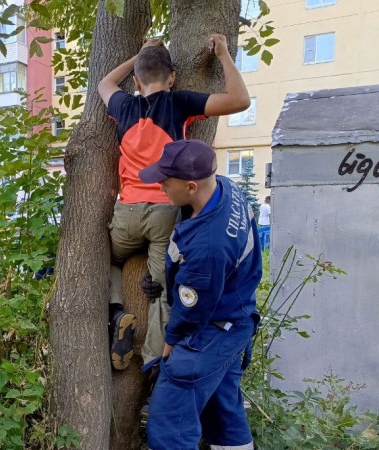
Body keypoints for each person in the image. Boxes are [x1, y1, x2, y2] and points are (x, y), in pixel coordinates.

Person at [97, 35, 251, 372]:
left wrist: (138, 54)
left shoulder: (124, 105)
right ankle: (154, 360)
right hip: (166, 212)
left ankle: (117, 311)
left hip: (127, 213)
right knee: (163, 288)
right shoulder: (179, 102)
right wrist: (223, 54)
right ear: (172, 79)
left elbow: (105, 82)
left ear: (136, 82)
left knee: (107, 259)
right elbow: (240, 100)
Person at [138, 139, 262, 450]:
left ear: (191, 186)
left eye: (166, 182)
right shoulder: (225, 187)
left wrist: (169, 347)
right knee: (223, 409)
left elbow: (193, 310)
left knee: (170, 417)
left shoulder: (209, 245)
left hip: (210, 331)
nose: (161, 187)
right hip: (237, 320)